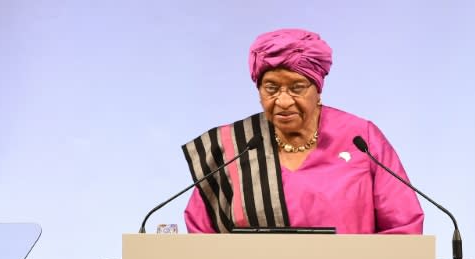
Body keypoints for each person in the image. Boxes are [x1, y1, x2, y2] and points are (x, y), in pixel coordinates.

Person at [182, 28, 424, 234]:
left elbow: (403, 229)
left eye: (297, 87)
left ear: (317, 89)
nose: (283, 101)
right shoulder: (233, 147)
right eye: (271, 88)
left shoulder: (360, 138)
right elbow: (201, 238)